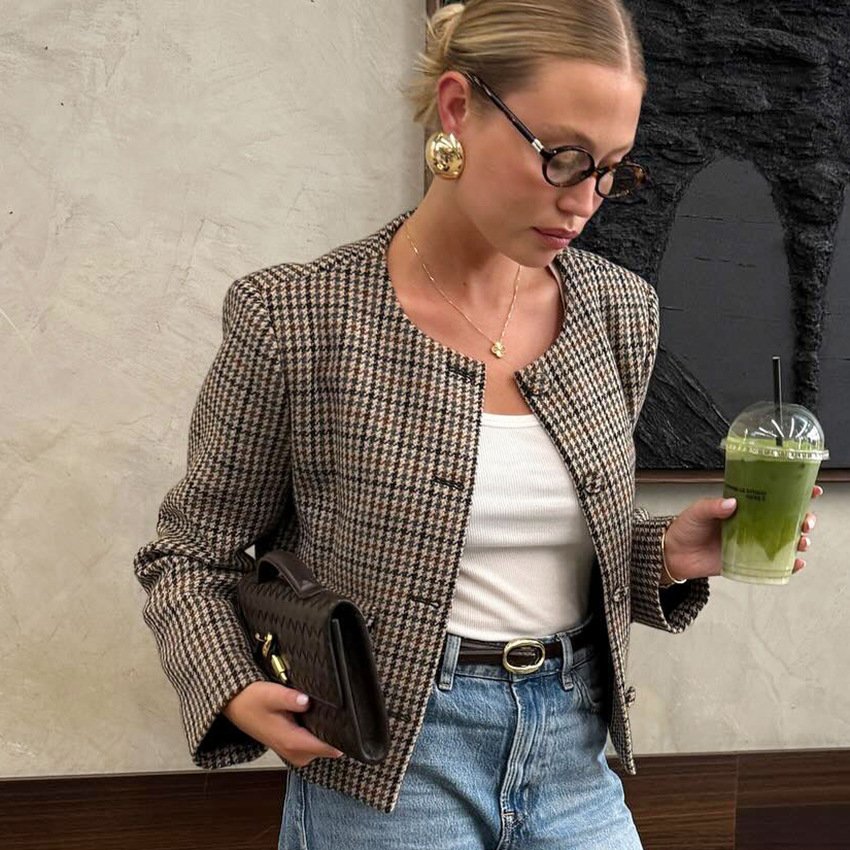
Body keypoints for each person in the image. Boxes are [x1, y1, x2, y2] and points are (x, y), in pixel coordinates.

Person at [133, 1, 823, 847]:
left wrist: (665, 555)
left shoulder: (620, 313)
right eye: (562, 156)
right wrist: (234, 686)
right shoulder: (298, 317)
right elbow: (188, 554)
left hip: (573, 754)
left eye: (611, 170)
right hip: (388, 767)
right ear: (458, 108)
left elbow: (536, 552)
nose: (585, 201)